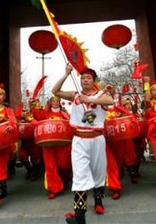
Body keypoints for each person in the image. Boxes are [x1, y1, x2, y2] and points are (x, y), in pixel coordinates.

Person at [52, 63, 114, 224]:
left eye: (89, 78)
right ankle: (80, 217)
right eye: (83, 78)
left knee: (99, 173)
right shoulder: (75, 96)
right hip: (79, 140)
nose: (85, 80)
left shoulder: (101, 95)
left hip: (97, 140)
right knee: (79, 176)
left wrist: (89, 99)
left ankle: (99, 202)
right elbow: (55, 91)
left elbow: (110, 100)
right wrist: (66, 74)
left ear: (94, 80)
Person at [33, 96, 72, 199]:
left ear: (60, 102)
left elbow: (70, 125)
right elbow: (36, 119)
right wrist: (35, 106)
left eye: (57, 101)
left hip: (62, 144)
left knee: (64, 164)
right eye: (53, 101)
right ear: (50, 102)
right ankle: (54, 189)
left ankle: (65, 179)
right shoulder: (45, 113)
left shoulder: (64, 114)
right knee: (50, 166)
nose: (55, 103)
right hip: (48, 143)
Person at [18, 100, 43, 181]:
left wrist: (32, 120)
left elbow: (39, 124)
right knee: (22, 156)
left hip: (35, 141)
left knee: (35, 158)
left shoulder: (41, 114)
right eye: (32, 105)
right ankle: (29, 169)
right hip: (25, 141)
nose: (33, 106)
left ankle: (35, 172)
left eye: (35, 105)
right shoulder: (26, 114)